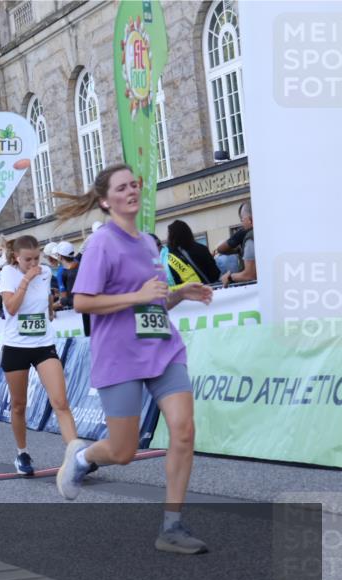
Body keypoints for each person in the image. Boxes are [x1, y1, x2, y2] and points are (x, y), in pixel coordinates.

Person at [54, 164, 213, 554]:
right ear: (106, 201)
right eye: (122, 187)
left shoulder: (146, 241)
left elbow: (153, 300)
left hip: (163, 348)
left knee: (184, 429)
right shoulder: (101, 244)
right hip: (120, 354)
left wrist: (178, 294)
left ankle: (172, 527)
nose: (131, 191)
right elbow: (82, 302)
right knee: (123, 452)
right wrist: (136, 297)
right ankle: (84, 456)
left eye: (135, 185)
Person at [0, 235, 80, 475]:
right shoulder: (8, 274)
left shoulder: (45, 271)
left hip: (43, 344)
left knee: (60, 402)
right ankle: (22, 453)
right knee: (19, 406)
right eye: (27, 259)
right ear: (16, 257)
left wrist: (48, 308)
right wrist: (25, 279)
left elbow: (45, 298)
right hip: (16, 346)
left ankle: (76, 456)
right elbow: (11, 308)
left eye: (37, 258)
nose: (33, 263)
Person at [164, 219, 221, 286]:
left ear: (171, 236)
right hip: (210, 288)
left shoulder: (169, 255)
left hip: (186, 292)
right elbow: (216, 273)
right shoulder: (201, 248)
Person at [220, 201, 257, 287]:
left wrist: (229, 277)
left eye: (242, 219)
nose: (241, 224)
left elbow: (250, 275)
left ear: (250, 220)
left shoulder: (250, 238)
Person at [55, 241, 81, 309]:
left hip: (75, 309)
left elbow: (64, 298)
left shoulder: (61, 272)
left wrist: (51, 307)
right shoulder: (81, 264)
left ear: (60, 257)